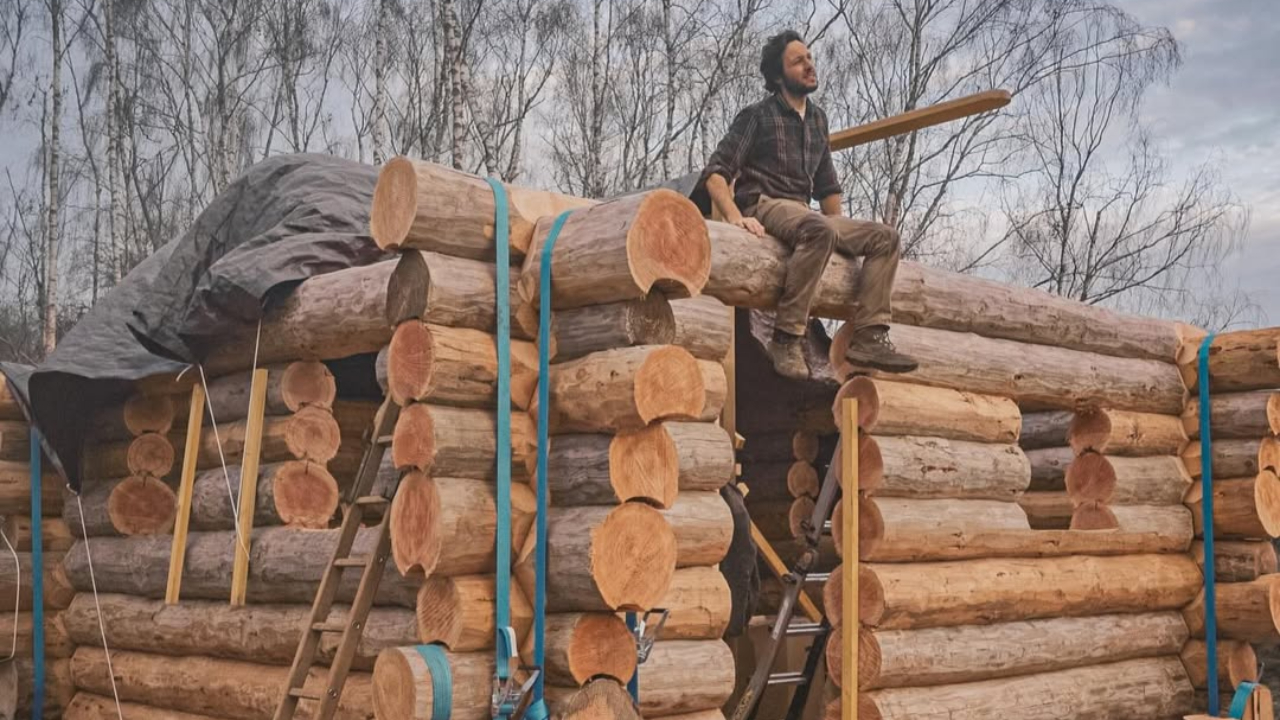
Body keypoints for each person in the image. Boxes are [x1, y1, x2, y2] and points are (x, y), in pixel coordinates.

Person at [701, 30, 917, 380]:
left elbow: (828, 186)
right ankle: (786, 338)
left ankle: (869, 336)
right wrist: (735, 217)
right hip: (764, 202)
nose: (809, 65)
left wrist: (842, 238)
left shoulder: (818, 120)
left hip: (802, 212)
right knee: (816, 229)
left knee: (884, 238)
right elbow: (716, 172)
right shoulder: (757, 115)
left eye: (810, 58)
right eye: (798, 61)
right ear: (777, 75)